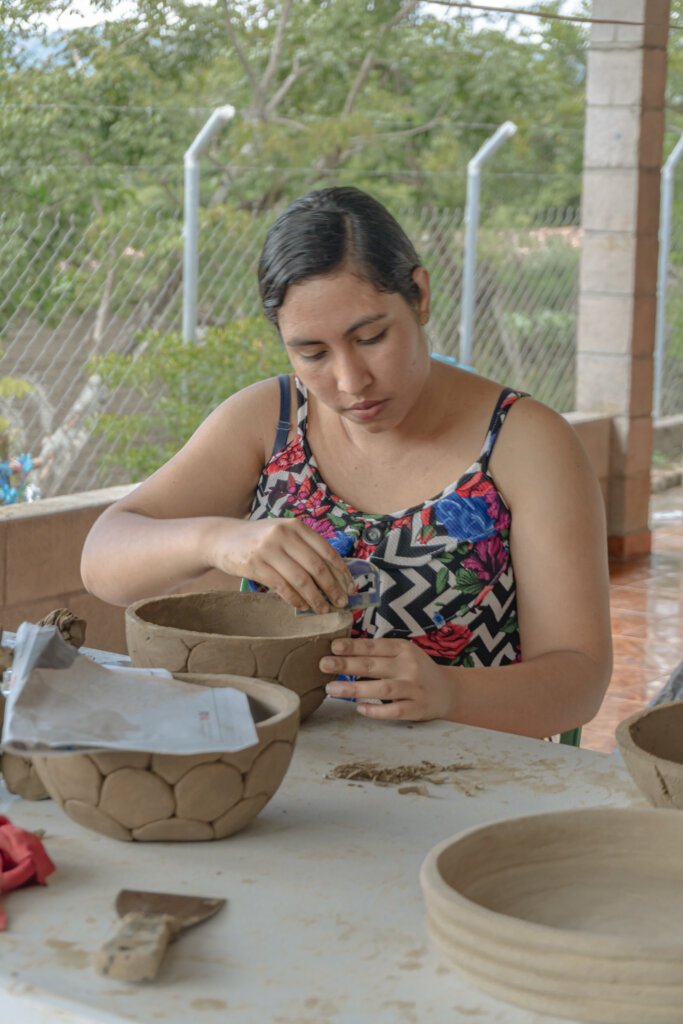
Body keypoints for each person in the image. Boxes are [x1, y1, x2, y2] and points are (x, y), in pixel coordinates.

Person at [81, 186, 612, 738]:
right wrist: (218, 540)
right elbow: (103, 561)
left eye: (372, 337)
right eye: (312, 353)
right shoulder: (273, 420)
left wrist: (451, 692)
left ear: (420, 295)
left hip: (472, 774)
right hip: (288, 768)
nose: (351, 381)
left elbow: (580, 680)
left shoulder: (523, 442)